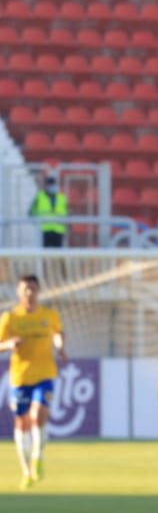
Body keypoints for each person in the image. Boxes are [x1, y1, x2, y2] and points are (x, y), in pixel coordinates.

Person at [0, 274, 66, 489]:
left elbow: (58, 334)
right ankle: (26, 470)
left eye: (33, 288)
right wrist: (9, 344)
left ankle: (38, 457)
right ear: (19, 292)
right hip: (20, 377)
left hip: (45, 374)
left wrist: (60, 346)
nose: (29, 292)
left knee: (38, 414)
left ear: (38, 291)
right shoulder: (10, 318)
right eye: (25, 289)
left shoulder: (49, 315)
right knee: (22, 422)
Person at [28, 173, 68, 248]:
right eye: (50, 184)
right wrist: (37, 223)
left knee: (57, 254)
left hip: (58, 230)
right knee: (45, 253)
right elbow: (31, 212)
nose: (52, 186)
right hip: (44, 230)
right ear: (46, 186)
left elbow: (67, 214)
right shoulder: (39, 197)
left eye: (53, 184)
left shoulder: (62, 197)